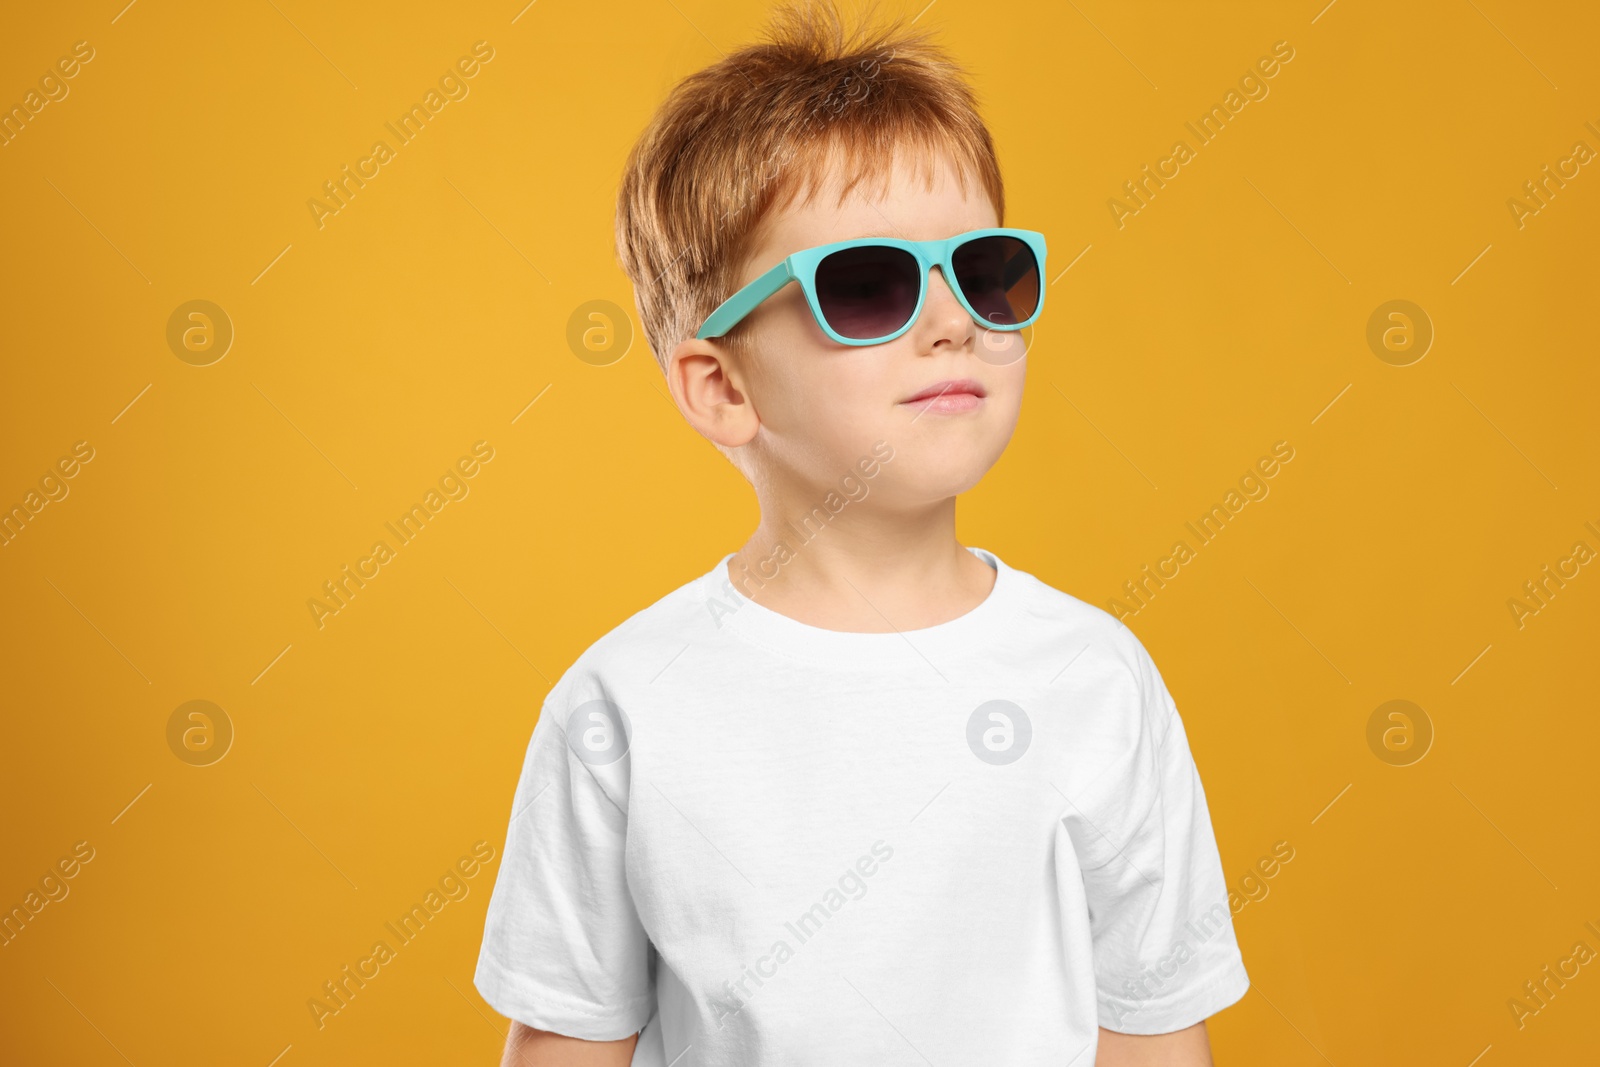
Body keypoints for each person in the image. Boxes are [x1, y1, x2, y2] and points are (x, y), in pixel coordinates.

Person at [474, 2, 1249, 1063]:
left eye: (984, 272)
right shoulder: (622, 709)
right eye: (867, 284)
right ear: (721, 386)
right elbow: (569, 1041)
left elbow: (1153, 1032)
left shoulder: (1096, 682)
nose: (952, 320)